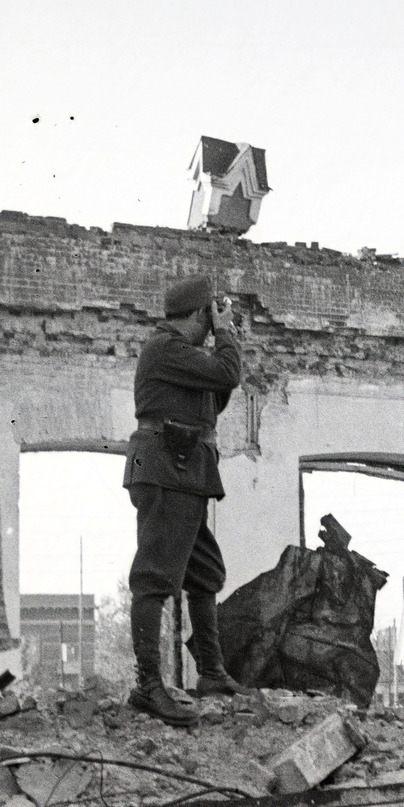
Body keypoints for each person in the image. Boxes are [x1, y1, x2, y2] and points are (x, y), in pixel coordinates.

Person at [123, 276, 254, 726]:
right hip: (165, 468)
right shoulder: (165, 348)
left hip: (183, 470)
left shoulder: (183, 359)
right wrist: (228, 336)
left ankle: (212, 672)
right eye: (212, 316)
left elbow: (214, 400)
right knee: (156, 576)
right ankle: (147, 686)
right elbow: (227, 372)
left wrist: (224, 344)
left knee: (204, 572)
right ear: (199, 315)